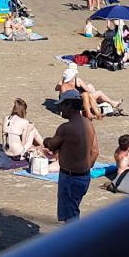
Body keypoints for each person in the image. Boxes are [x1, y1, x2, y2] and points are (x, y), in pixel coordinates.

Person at [43, 90, 98, 223]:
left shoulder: (65, 128)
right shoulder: (88, 124)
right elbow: (95, 151)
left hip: (70, 177)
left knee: (71, 216)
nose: (60, 109)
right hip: (84, 176)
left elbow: (52, 146)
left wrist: (46, 141)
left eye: (62, 105)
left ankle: (74, 242)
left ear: (69, 105)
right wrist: (85, 167)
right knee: (73, 209)